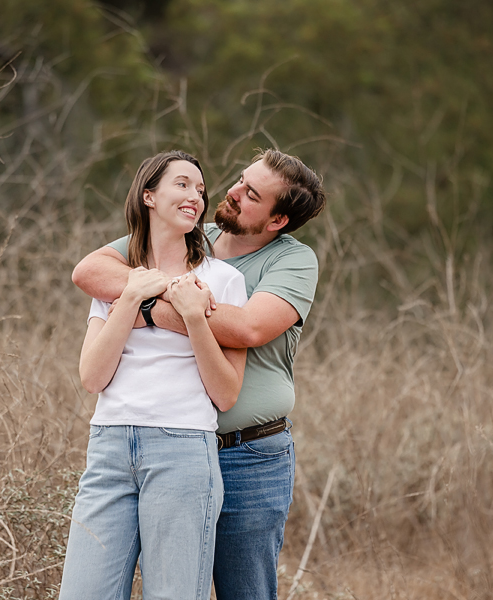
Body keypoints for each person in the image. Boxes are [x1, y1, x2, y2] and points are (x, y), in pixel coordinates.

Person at [71, 148, 327, 600]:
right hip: (153, 439)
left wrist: (150, 309)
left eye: (250, 194)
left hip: (248, 452)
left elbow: (248, 328)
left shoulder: (292, 261)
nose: (229, 193)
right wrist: (161, 292)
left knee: (242, 591)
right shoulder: (187, 232)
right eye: (239, 180)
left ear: (276, 221)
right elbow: (92, 271)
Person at [59, 150, 248, 600]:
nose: (195, 197)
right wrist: (130, 298)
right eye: (182, 184)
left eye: (200, 189)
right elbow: (92, 377)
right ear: (148, 195)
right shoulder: (117, 281)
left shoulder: (222, 281)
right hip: (109, 447)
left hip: (183, 452)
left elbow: (225, 395)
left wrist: (195, 318)